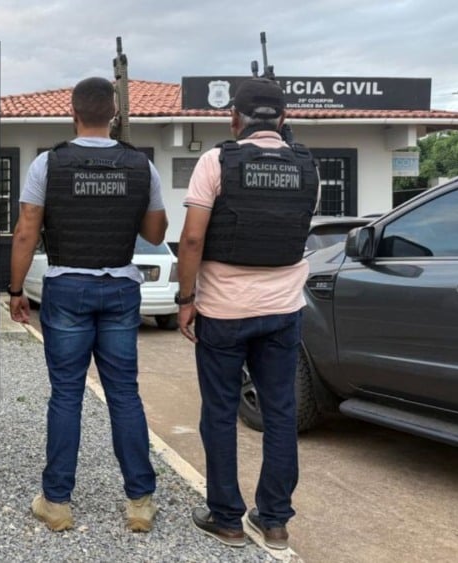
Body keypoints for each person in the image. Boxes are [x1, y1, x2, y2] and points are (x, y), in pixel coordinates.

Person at [8, 77, 168, 533]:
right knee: (124, 394)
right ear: (114, 114)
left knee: (66, 395)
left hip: (66, 287)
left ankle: (57, 502)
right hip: (120, 288)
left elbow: (26, 231)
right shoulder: (141, 165)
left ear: (72, 113)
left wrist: (15, 290)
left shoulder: (48, 164)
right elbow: (156, 233)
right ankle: (140, 502)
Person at [177, 77, 320, 550]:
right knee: (280, 411)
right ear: (283, 118)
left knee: (219, 412)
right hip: (283, 310)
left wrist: (185, 300)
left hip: (223, 310)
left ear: (233, 118)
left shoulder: (216, 161)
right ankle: (275, 521)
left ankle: (226, 519)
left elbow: (192, 238)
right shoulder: (309, 166)